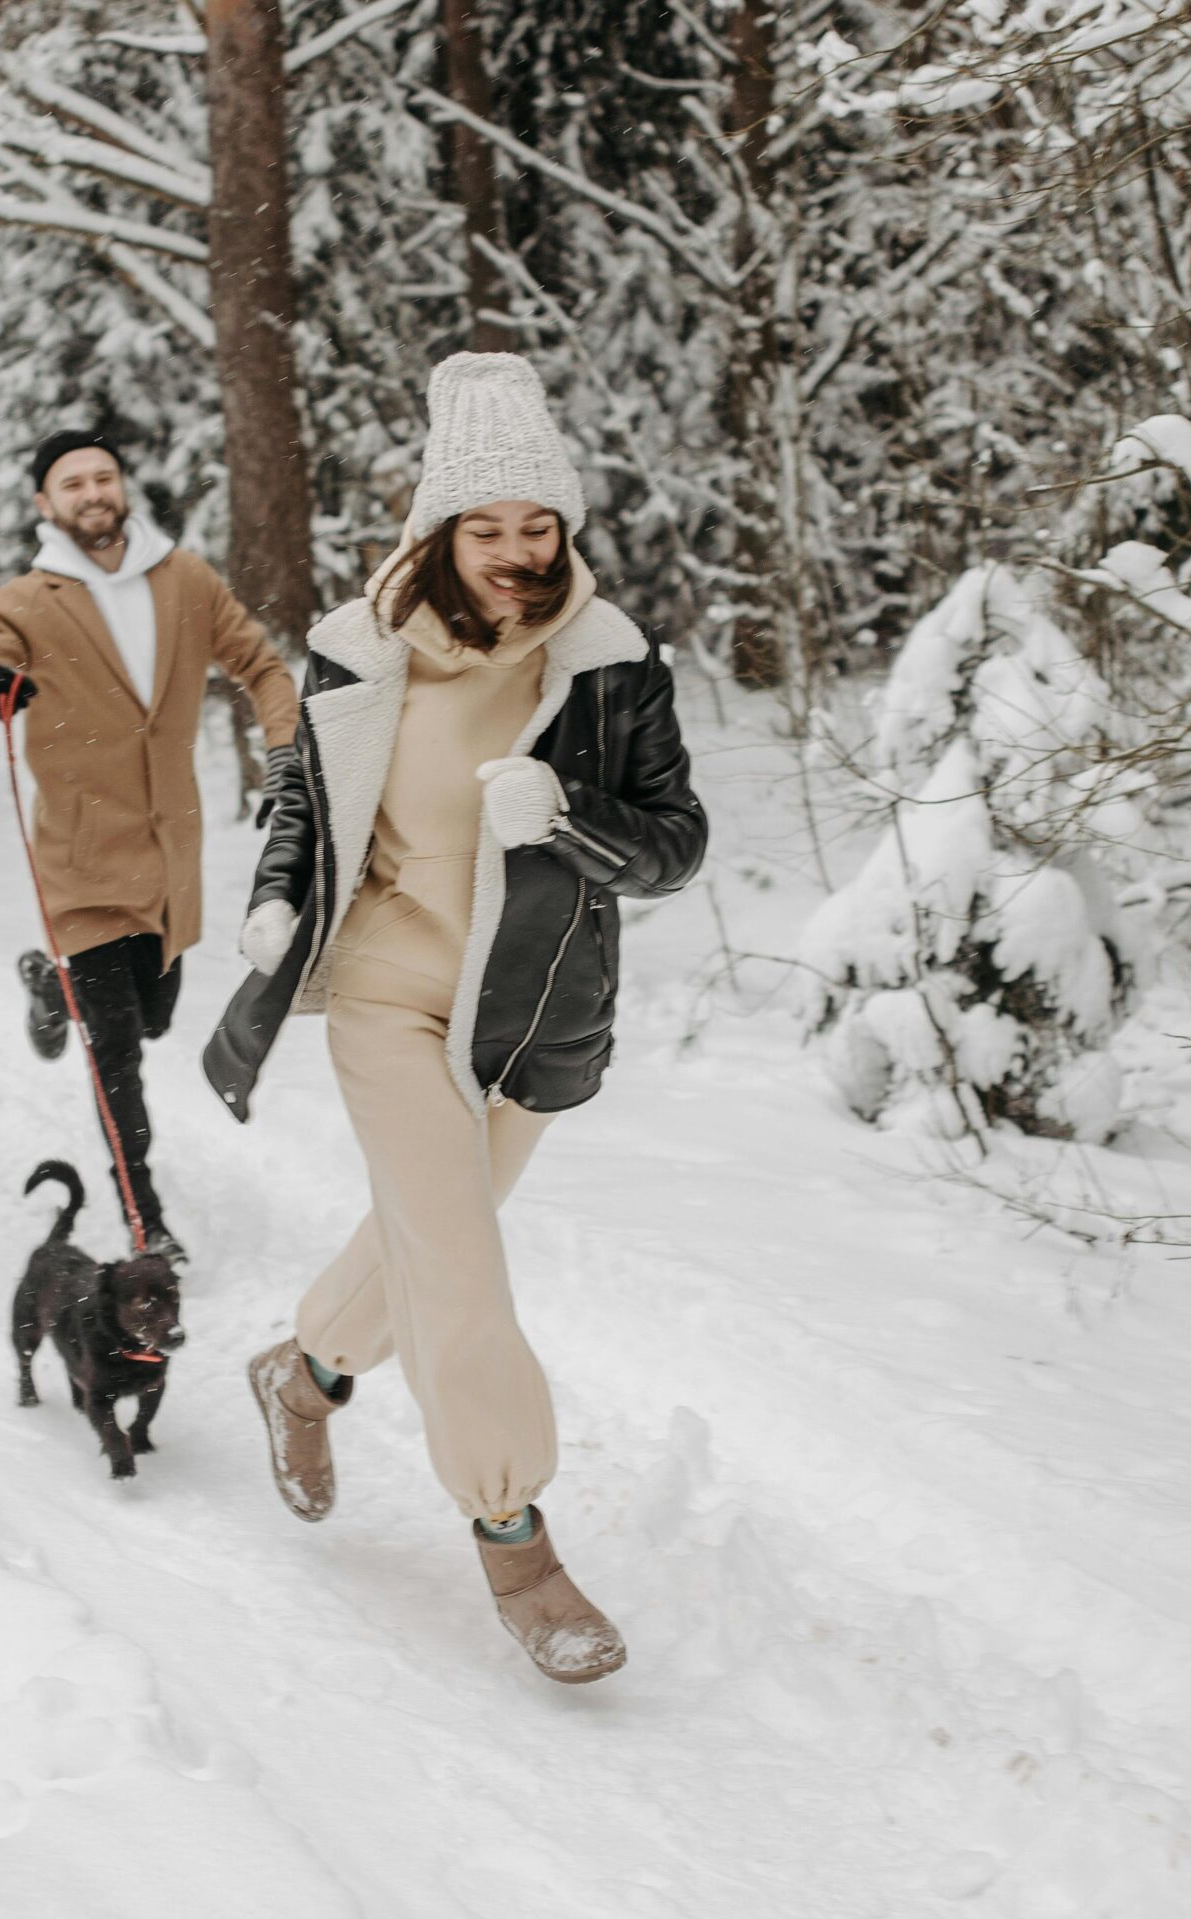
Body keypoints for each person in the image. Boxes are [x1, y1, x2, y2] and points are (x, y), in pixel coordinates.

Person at [202, 354, 707, 1683]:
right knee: (463, 1266)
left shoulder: (610, 662)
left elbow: (677, 843)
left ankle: (300, 1372)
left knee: (426, 1242)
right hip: (384, 990)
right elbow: (304, 800)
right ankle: (517, 1540)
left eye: (538, 527)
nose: (518, 554)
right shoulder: (356, 653)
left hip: (530, 1015)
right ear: (436, 532)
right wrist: (271, 901)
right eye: (488, 529)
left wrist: (576, 816)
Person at [0, 429, 302, 1260]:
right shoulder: (28, 601)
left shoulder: (186, 579)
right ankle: (145, 1217)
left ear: (123, 486)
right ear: (46, 504)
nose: (93, 492)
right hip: (81, 859)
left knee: (150, 1021)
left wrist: (282, 749)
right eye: (73, 483)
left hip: (169, 860)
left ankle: (51, 991)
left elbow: (264, 666)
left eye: (104, 476)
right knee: (116, 1060)